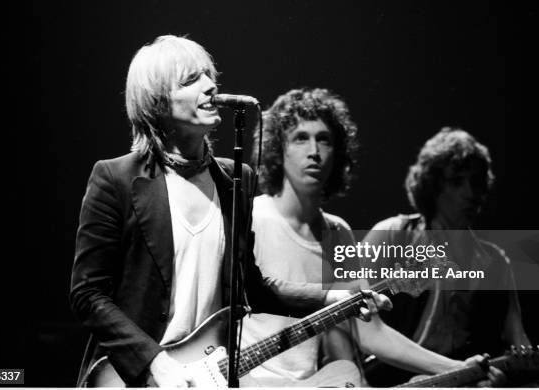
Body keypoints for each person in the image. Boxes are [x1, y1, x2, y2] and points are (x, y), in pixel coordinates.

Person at [69, 35, 388, 388]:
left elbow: (249, 285)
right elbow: (87, 294)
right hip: (132, 376)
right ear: (156, 100)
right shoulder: (116, 178)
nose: (210, 86)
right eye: (191, 80)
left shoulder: (235, 180)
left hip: (207, 377)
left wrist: (330, 297)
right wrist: (154, 362)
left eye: (209, 76)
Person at [239, 90, 493, 387]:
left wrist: (457, 368)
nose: (314, 151)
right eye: (300, 138)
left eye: (324, 139)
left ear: (338, 152)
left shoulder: (338, 234)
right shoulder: (249, 217)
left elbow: (369, 333)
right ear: (277, 149)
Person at [362, 127, 530, 386]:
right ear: (433, 186)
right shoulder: (392, 235)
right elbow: (353, 324)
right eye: (457, 182)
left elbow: (518, 342)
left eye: (476, 182)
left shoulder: (495, 261)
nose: (469, 193)